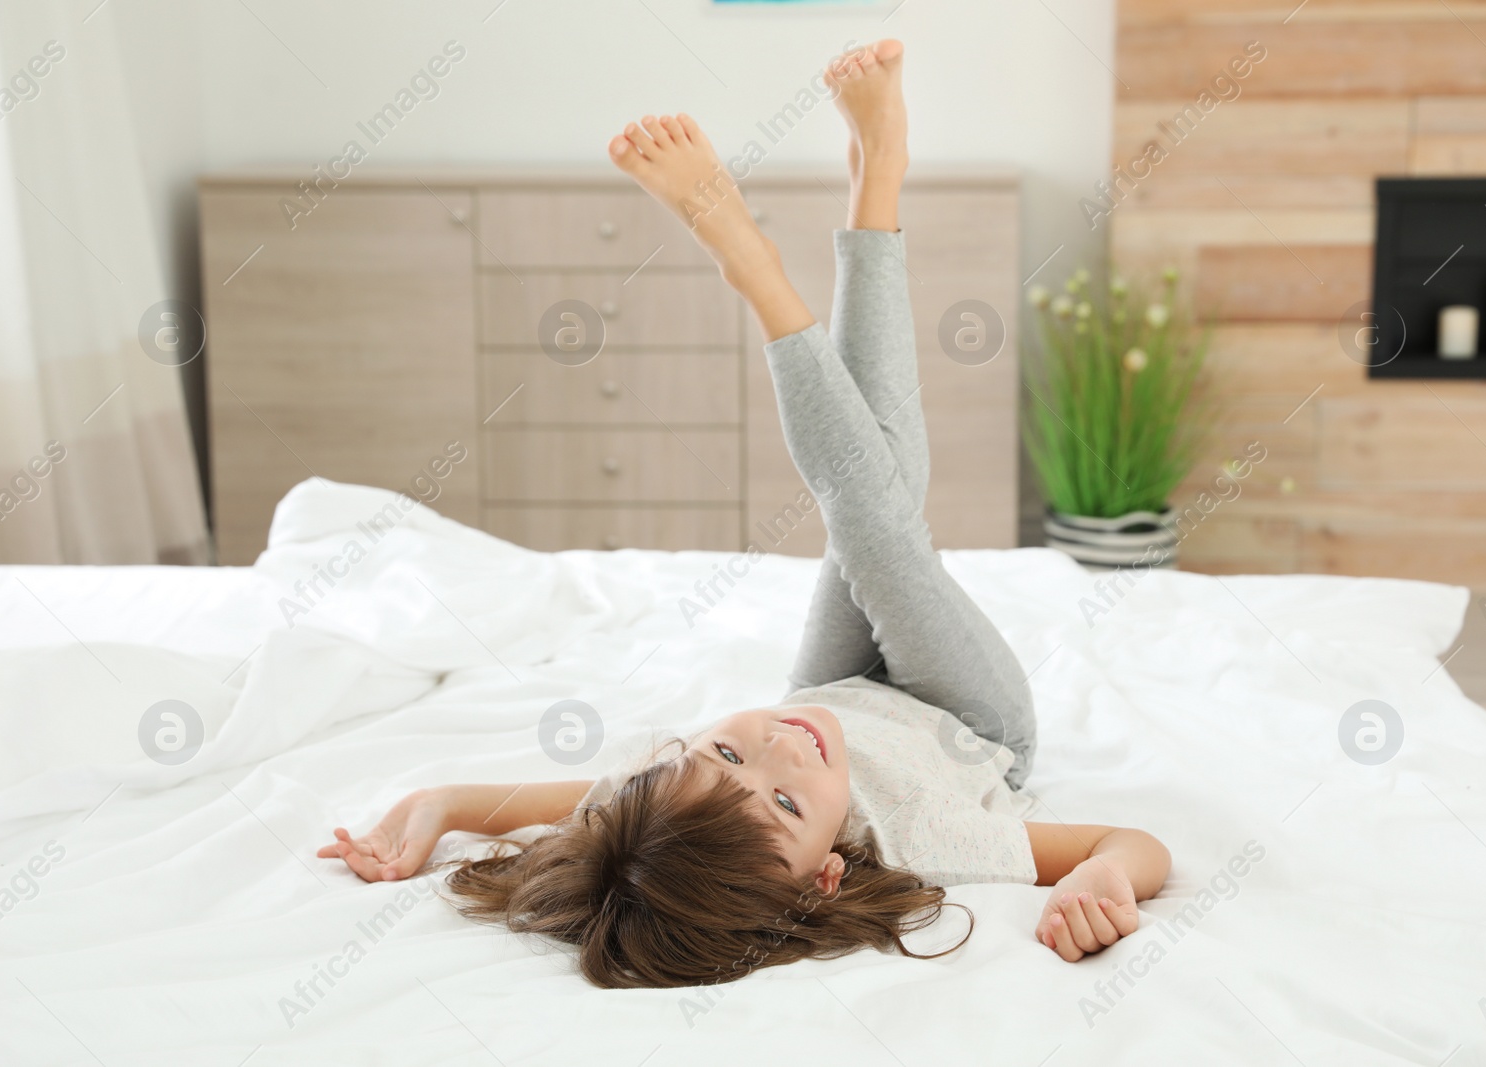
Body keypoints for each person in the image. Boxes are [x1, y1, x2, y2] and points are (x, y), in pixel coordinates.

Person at [319, 39, 1169, 989]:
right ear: (828, 871)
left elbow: (578, 801)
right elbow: (1128, 841)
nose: (774, 751)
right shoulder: (937, 839)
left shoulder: (671, 806)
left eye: (726, 747)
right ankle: (761, 257)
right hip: (963, 712)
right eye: (786, 804)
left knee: (877, 497)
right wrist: (1100, 876)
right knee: (880, 518)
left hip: (832, 683)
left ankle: (874, 172)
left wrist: (444, 803)